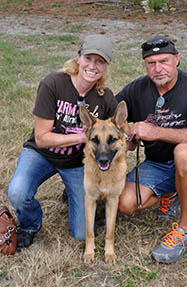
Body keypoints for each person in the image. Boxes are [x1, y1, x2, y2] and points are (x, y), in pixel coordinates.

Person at [116, 35, 187, 264]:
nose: (158, 68)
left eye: (164, 61)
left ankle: (186, 233)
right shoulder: (137, 88)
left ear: (177, 59)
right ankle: (172, 191)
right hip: (158, 163)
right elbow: (112, 115)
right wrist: (127, 135)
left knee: (183, 152)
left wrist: (156, 132)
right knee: (124, 203)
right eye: (151, 63)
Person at [7, 34, 118, 249]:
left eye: (100, 61)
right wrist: (82, 137)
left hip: (76, 163)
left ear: (106, 67)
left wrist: (134, 134)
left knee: (81, 234)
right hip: (42, 154)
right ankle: (30, 225)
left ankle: (72, 191)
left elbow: (119, 130)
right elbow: (41, 138)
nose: (92, 66)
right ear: (78, 58)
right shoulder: (53, 84)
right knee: (18, 192)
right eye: (88, 59)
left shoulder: (105, 97)